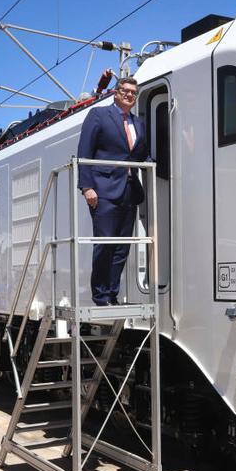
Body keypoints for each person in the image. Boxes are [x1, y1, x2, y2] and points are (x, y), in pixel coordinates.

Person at [77, 77, 148, 306]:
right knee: (105, 244)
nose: (130, 95)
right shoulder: (98, 115)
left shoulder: (138, 124)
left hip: (128, 190)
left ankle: (112, 294)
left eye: (134, 93)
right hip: (104, 190)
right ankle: (100, 296)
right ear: (116, 93)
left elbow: (139, 156)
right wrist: (87, 187)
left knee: (122, 248)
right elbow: (84, 151)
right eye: (126, 91)